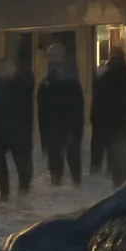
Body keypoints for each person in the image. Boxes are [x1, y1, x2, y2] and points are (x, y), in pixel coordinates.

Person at [0, 56, 34, 200]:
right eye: (1, 69)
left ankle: (24, 196)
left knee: (23, 169)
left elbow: (29, 85)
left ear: (13, 67)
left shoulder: (24, 82)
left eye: (7, 67)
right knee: (0, 167)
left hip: (19, 134)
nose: (3, 71)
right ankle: (4, 195)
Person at [36, 42, 84, 186]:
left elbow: (78, 107)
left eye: (56, 55)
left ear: (63, 56)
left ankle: (75, 192)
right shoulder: (45, 83)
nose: (53, 58)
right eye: (51, 55)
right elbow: (41, 111)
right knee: (55, 170)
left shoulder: (72, 81)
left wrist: (77, 131)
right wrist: (43, 135)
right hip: (52, 131)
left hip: (69, 129)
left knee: (74, 167)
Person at [89, 45, 126, 187]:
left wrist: (94, 117)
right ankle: (119, 184)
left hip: (106, 122)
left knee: (103, 155)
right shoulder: (125, 74)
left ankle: (112, 180)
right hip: (118, 122)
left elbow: (98, 97)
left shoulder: (105, 74)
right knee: (118, 161)